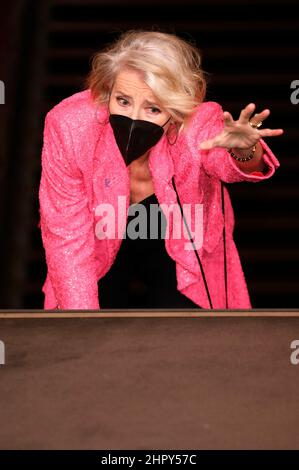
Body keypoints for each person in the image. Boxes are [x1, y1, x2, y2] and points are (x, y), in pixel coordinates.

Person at [38, 30, 283, 310]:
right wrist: (80, 326)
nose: (133, 117)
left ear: (177, 107)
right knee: (90, 334)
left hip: (179, 235)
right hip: (96, 234)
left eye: (153, 108)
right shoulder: (70, 126)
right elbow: (66, 234)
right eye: (123, 101)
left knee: (188, 339)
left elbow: (228, 166)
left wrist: (243, 151)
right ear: (108, 90)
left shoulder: (197, 123)